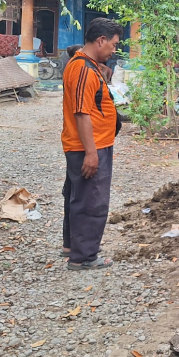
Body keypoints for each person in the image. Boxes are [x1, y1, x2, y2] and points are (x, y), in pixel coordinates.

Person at [61, 18, 123, 270]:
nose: (114, 50)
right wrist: (91, 153)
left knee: (78, 196)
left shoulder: (86, 64)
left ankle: (72, 246)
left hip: (89, 144)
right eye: (113, 44)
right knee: (92, 201)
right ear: (101, 40)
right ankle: (84, 257)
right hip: (88, 146)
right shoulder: (83, 70)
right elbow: (82, 113)